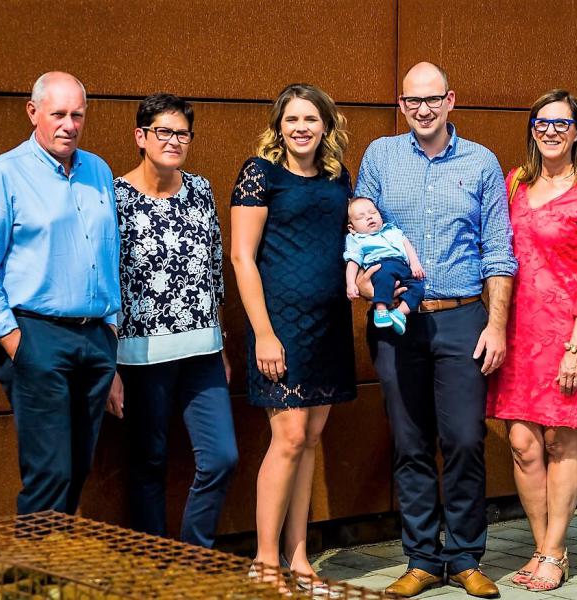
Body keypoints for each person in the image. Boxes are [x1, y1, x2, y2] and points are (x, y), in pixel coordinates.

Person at [354, 62, 516, 598]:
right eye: (411, 101)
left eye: (432, 99)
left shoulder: (482, 162)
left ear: (451, 100)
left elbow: (498, 251)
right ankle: (422, 559)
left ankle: (466, 557)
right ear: (401, 105)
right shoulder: (379, 157)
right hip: (399, 321)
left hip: (464, 316)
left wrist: (496, 324)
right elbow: (358, 233)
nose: (422, 110)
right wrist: (367, 282)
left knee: (466, 439)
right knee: (410, 441)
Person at [0, 72, 119, 515]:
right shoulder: (3, 174)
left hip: (94, 339)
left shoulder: (98, 170)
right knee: (49, 472)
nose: (69, 124)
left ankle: (54, 576)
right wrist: (15, 341)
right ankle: (32, 581)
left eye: (77, 115)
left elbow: (108, 255)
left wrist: (110, 331)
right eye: (58, 114)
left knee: (78, 466)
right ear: (33, 113)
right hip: (37, 334)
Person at [230, 84, 356, 586]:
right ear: (278, 125)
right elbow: (242, 257)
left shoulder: (337, 177)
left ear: (326, 125)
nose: (301, 127)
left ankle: (299, 557)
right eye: (291, 119)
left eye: (310, 119)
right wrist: (263, 332)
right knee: (288, 437)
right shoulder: (259, 174)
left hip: (327, 326)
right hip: (279, 325)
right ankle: (264, 561)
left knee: (310, 438)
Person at [486, 90, 577, 592]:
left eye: (562, 123)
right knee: (521, 444)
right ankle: (543, 547)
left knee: (559, 440)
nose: (552, 131)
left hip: (566, 335)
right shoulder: (515, 182)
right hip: (516, 332)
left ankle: (555, 551)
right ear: (532, 128)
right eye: (542, 122)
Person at [105, 93, 238, 548]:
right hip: (141, 357)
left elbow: (213, 273)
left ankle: (195, 554)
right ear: (141, 136)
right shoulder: (115, 196)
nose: (174, 141)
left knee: (221, 456)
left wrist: (220, 345)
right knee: (149, 462)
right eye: (164, 131)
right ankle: (153, 566)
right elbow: (106, 280)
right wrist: (111, 368)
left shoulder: (200, 189)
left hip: (203, 351)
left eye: (182, 133)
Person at [344, 197, 426, 334]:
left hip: (402, 267)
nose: (369, 218)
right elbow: (352, 263)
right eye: (361, 217)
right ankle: (381, 310)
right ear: (352, 228)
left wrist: (415, 263)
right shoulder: (357, 240)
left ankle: (398, 314)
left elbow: (406, 245)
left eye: (373, 213)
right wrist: (351, 283)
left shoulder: (392, 230)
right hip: (379, 266)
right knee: (384, 277)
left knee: (418, 288)